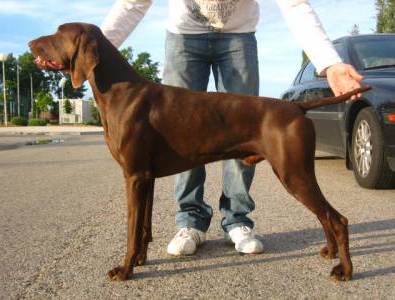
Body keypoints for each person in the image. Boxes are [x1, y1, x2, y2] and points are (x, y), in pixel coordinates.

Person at [101, 0, 363, 256]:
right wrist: (93, 51)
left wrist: (328, 61)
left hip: (238, 35)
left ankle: (237, 220)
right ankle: (190, 222)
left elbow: (294, 4)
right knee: (177, 135)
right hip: (184, 34)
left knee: (247, 130)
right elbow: (133, 2)